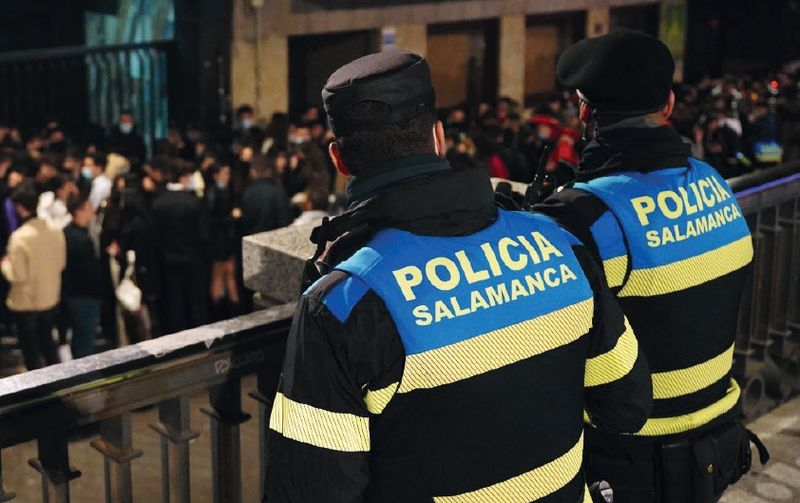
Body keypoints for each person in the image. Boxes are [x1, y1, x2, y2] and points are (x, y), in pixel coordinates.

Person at [264, 50, 652, 503]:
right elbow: (628, 406)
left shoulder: (344, 302)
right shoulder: (561, 242)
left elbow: (311, 491)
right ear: (439, 137)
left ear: (339, 160)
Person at [535, 29, 765, 502]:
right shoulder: (715, 183)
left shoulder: (586, 216)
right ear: (668, 106)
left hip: (628, 457)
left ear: (584, 112)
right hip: (715, 442)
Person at [1, 181, 66, 370]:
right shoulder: (55, 230)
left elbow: (17, 275)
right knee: (48, 344)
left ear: (20, 208)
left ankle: (38, 394)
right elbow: (61, 263)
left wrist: (4, 264)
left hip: (26, 303)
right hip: (49, 298)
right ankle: (60, 383)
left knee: (31, 352)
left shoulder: (20, 237)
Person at [151, 160, 210, 333]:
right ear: (185, 177)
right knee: (194, 305)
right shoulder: (193, 203)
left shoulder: (158, 203)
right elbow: (203, 236)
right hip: (193, 261)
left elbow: (154, 238)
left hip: (167, 262)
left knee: (173, 305)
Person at [62, 196, 102, 359]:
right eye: (88, 208)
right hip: (84, 296)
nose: (93, 212)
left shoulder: (67, 232)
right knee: (84, 343)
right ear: (78, 212)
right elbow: (88, 272)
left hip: (72, 294)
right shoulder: (81, 240)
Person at [238, 154, 291, 236]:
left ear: (253, 172)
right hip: (274, 239)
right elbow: (284, 222)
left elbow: (245, 221)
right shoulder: (278, 192)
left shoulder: (248, 192)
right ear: (269, 171)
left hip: (253, 239)